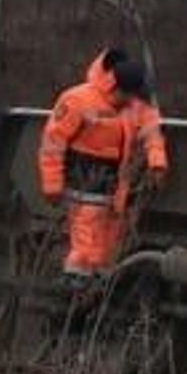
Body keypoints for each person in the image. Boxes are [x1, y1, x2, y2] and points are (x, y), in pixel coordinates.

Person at [38, 48, 169, 279]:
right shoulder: (77, 99)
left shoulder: (135, 104)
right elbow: (53, 143)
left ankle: (95, 282)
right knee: (87, 237)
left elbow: (151, 133)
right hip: (84, 183)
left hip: (115, 186)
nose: (132, 101)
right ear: (115, 87)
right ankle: (75, 284)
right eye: (128, 95)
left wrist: (157, 163)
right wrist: (52, 185)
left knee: (109, 239)